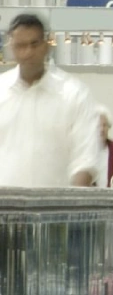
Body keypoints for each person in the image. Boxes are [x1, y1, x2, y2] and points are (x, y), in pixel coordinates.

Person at [0, 13, 101, 188]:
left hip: (55, 210)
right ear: (12, 49)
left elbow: (85, 159)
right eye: (21, 46)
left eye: (34, 44)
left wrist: (71, 206)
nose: (28, 52)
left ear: (46, 45)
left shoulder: (74, 94)